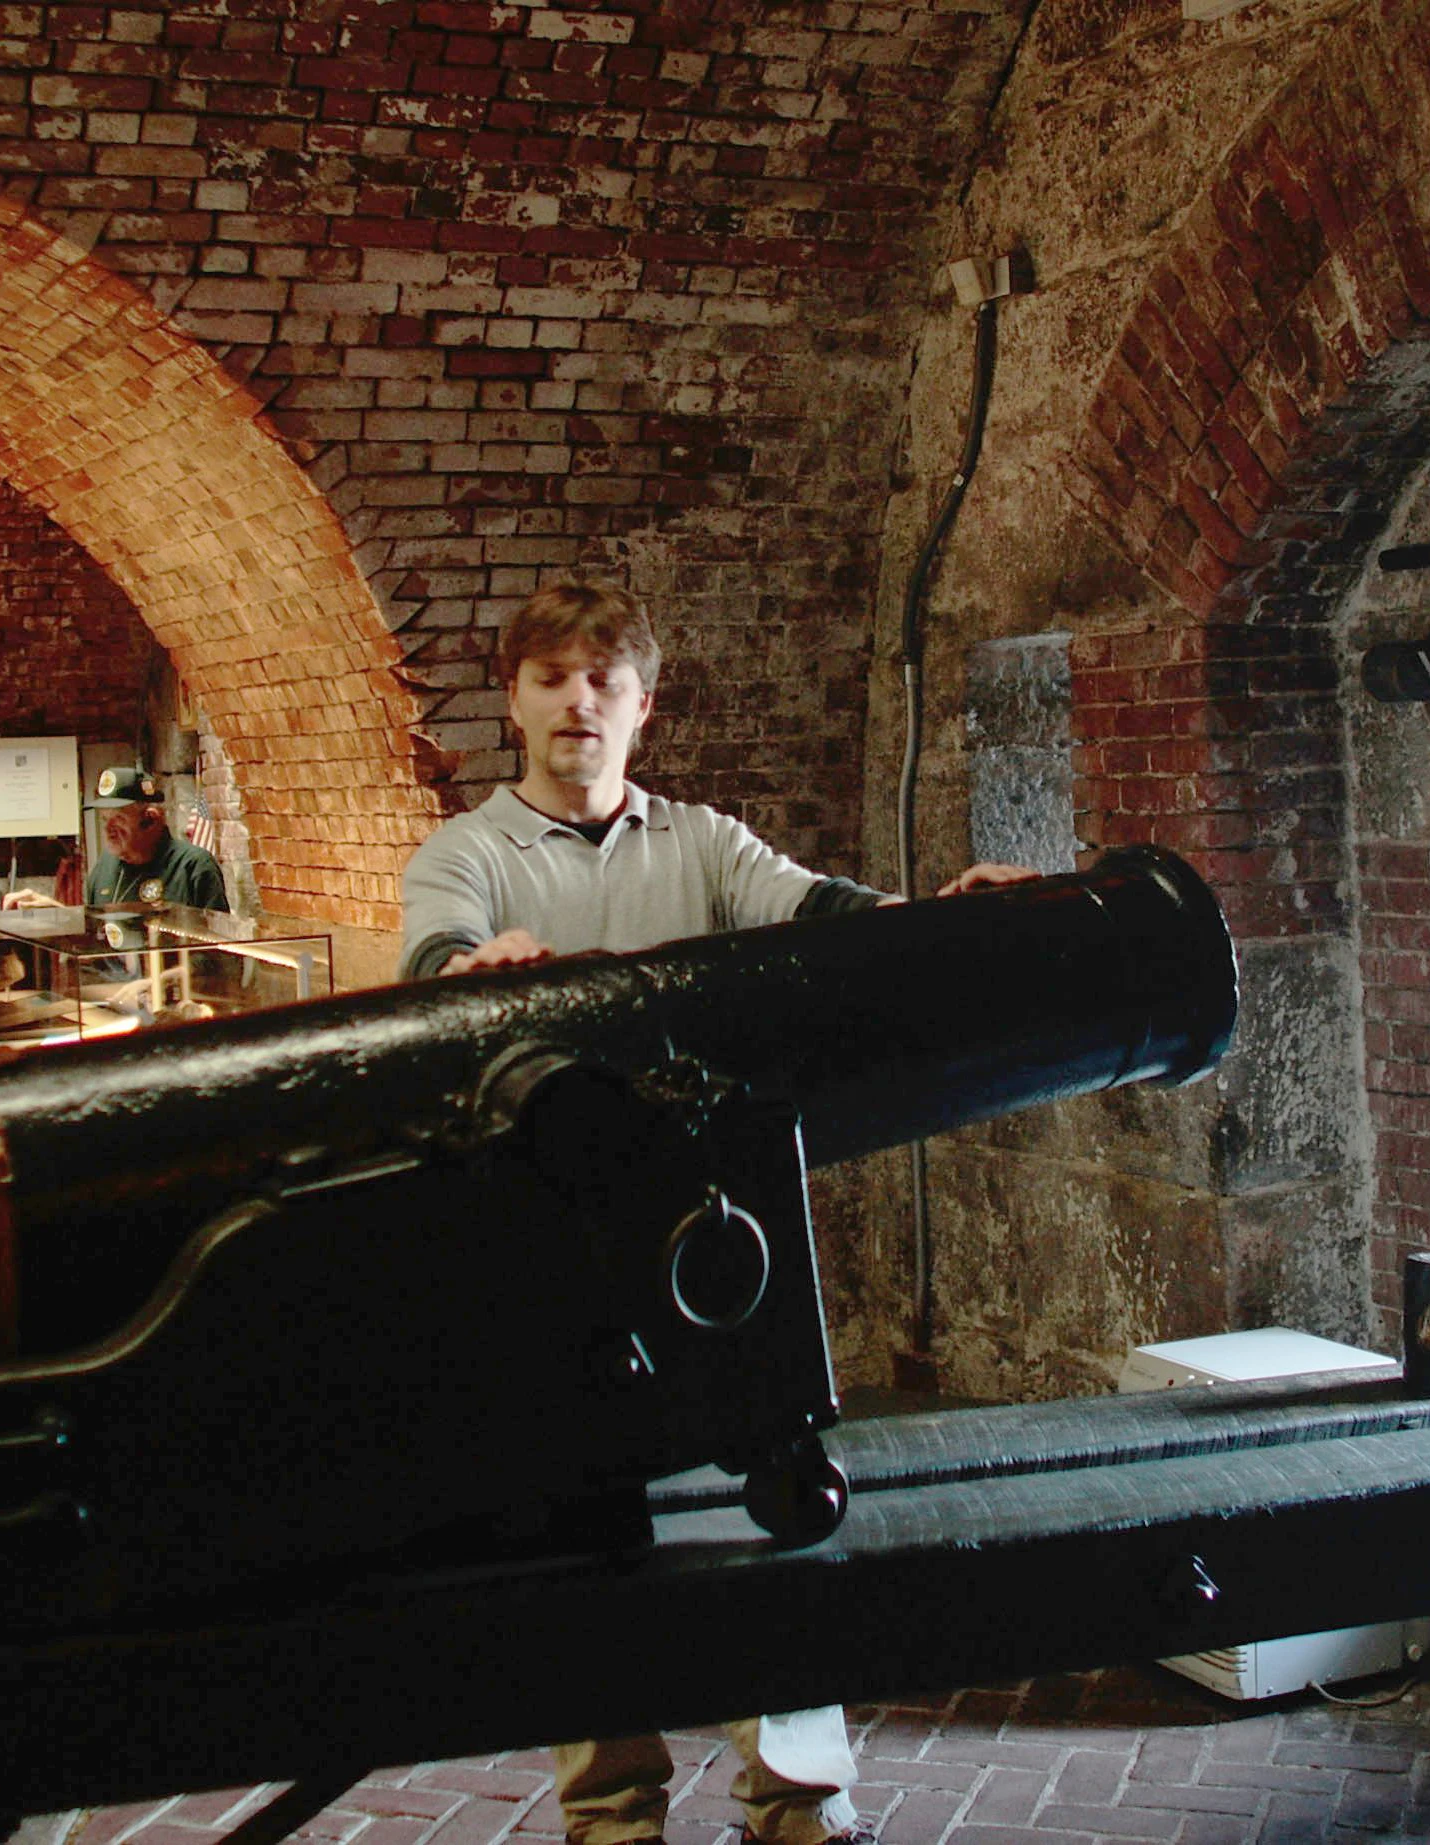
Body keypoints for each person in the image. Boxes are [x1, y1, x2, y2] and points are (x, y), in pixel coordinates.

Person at [399, 581, 1034, 1845]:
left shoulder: (701, 843)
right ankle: (616, 1813)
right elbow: (432, 966)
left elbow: (828, 914)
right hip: (555, 1240)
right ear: (514, 700)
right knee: (585, 1533)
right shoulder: (465, 854)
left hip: (712, 1229)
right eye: (551, 678)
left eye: (603, 680)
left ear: (643, 706)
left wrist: (950, 924)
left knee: (779, 1505)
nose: (578, 701)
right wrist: (479, 979)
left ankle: (799, 1800)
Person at [9, 767, 227, 911]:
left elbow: (218, 954)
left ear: (151, 820)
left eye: (119, 819)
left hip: (179, 980)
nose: (109, 830)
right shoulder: (105, 867)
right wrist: (58, 915)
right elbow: (96, 940)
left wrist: (159, 981)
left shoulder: (193, 866)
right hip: (116, 982)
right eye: (105, 820)